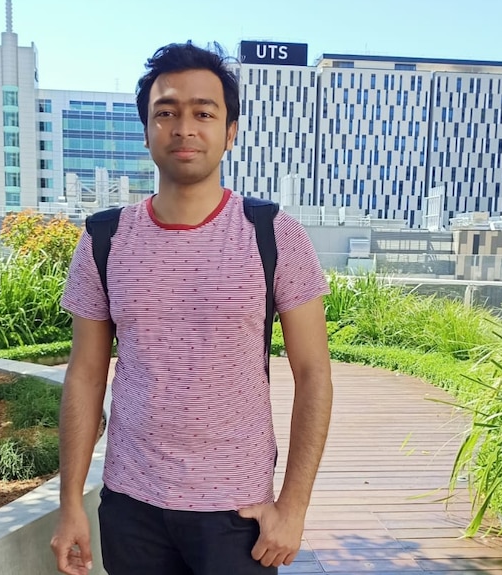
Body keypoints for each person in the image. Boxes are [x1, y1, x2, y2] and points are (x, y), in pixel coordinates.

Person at [50, 41, 333, 575]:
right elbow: (85, 375)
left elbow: (314, 374)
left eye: (204, 112)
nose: (184, 127)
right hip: (131, 505)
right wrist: (70, 506)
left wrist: (292, 508)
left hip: (236, 511)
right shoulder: (104, 240)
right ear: (148, 129)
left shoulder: (272, 234)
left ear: (229, 132)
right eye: (167, 112)